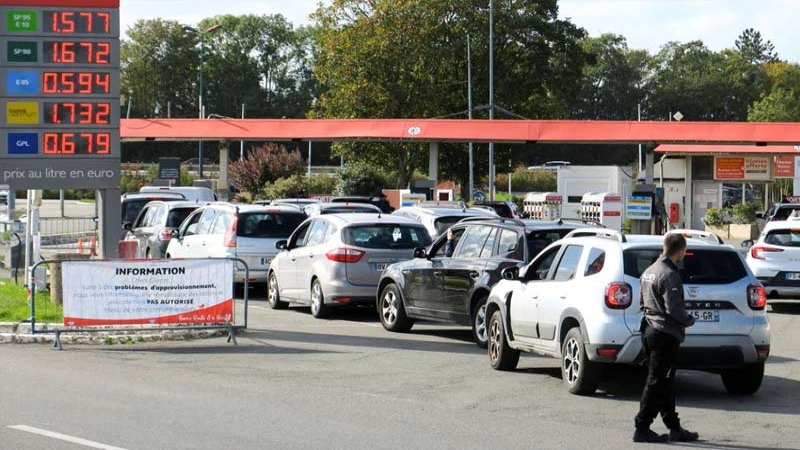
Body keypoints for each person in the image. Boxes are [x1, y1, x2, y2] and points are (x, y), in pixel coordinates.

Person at [633, 234, 699, 443]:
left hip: (650, 330)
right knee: (656, 382)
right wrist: (688, 320)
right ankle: (642, 426)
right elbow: (673, 308)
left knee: (664, 382)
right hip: (664, 334)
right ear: (681, 251)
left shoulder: (649, 271)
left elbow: (642, 302)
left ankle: (674, 427)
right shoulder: (669, 274)